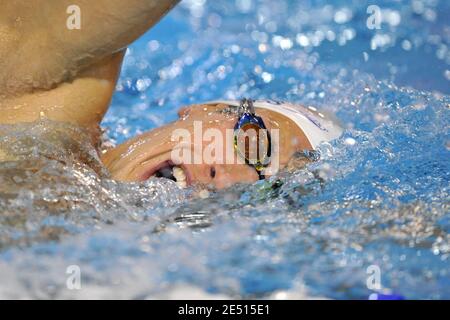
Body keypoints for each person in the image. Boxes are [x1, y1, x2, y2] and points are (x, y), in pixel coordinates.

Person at [0, 1, 342, 191]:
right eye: (252, 143)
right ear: (204, 109)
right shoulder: (35, 98)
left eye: (266, 190)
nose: (225, 180)